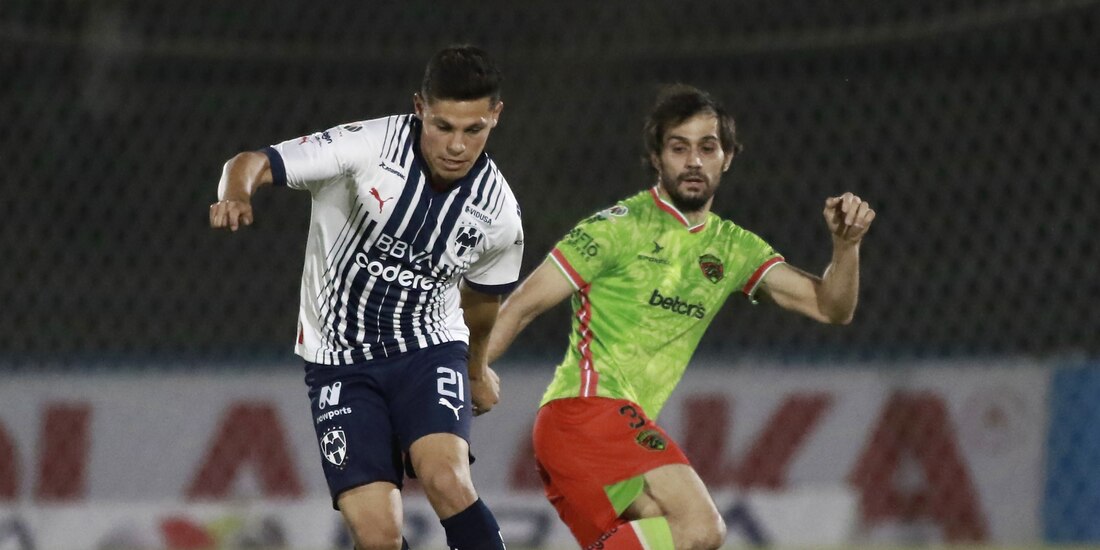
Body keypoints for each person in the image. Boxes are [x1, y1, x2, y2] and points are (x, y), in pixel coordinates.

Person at [485, 84, 875, 550]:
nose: (694, 161)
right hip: (584, 413)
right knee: (700, 526)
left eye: (707, 148)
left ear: (727, 157)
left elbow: (831, 307)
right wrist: (467, 372)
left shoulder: (735, 248)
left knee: (672, 542)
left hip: (607, 430)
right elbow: (523, 304)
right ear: (657, 157)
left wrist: (846, 246)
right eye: (679, 147)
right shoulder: (617, 227)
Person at [209, 45, 520, 550]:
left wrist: (477, 369)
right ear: (419, 107)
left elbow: (483, 301)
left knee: (446, 479)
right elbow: (251, 162)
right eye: (443, 126)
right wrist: (236, 193)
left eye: (474, 129)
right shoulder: (365, 147)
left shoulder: (498, 211)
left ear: (495, 117)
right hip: (339, 362)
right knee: (376, 534)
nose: (457, 145)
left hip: (427, 348)